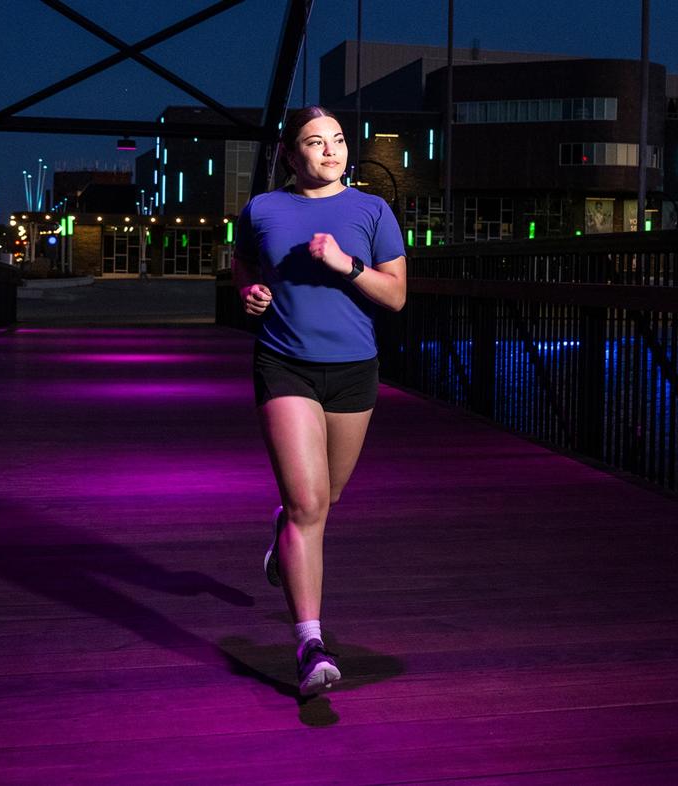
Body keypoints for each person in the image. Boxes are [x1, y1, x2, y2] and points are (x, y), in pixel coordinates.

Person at [232, 106, 407, 696]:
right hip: (284, 364)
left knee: (323, 499)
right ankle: (311, 644)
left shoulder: (372, 210)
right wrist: (250, 293)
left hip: (354, 372)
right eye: (314, 142)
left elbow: (396, 296)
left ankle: (285, 529)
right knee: (309, 505)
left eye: (336, 140)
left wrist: (346, 264)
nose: (330, 150)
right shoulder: (262, 209)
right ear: (289, 154)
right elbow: (242, 266)